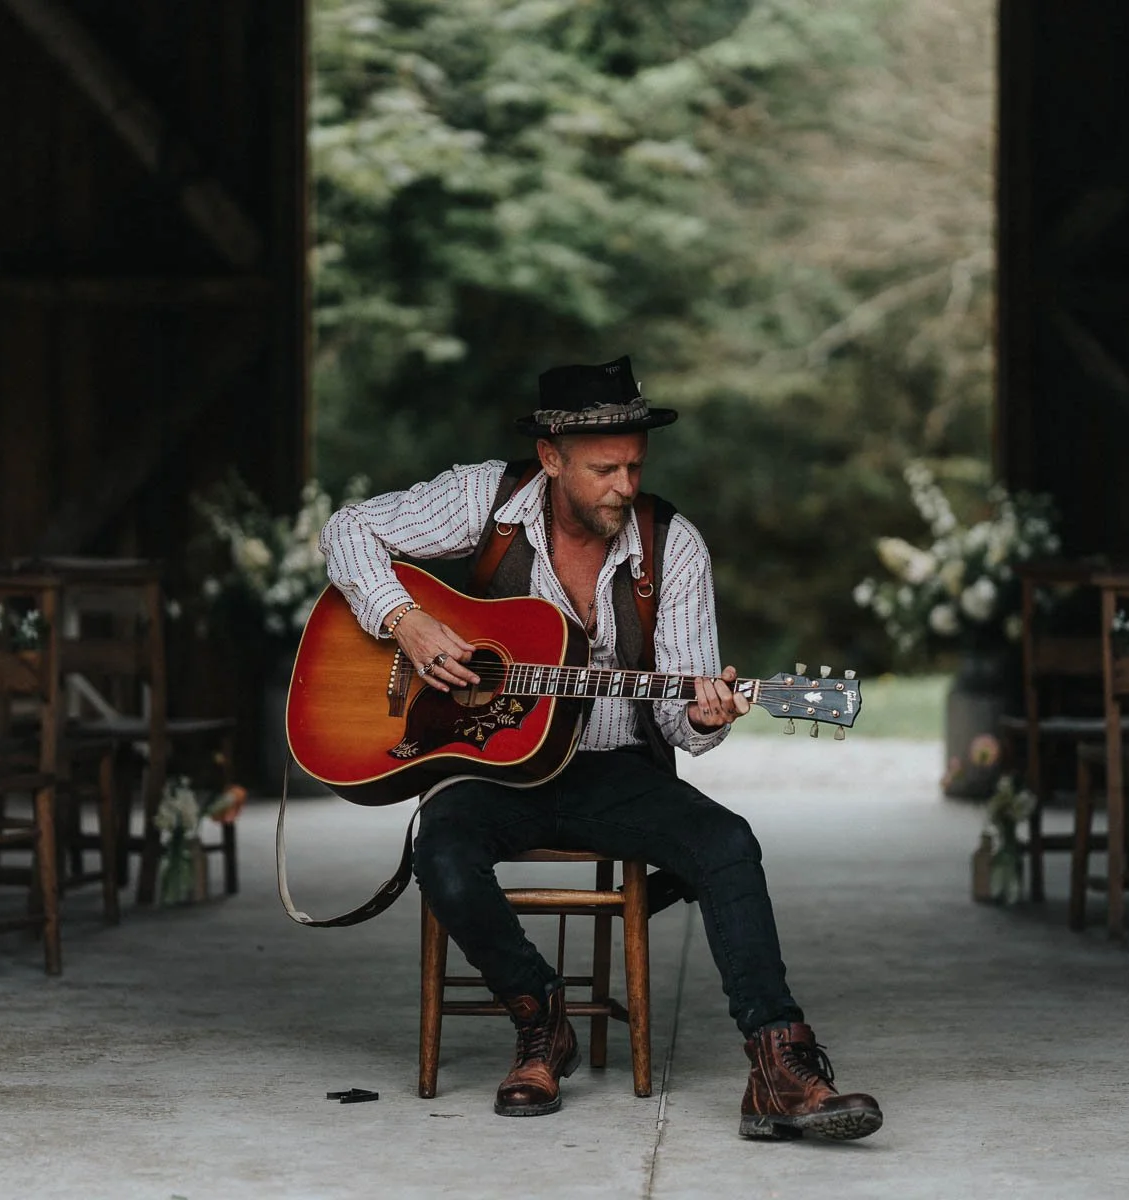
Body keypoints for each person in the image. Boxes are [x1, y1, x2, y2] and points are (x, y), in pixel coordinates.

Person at [318, 355, 881, 1141]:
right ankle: (540, 1018)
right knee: (441, 855)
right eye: (604, 468)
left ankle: (780, 1067)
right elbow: (346, 528)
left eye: (635, 467)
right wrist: (403, 621)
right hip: (488, 769)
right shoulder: (486, 498)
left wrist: (711, 714)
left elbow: (683, 722)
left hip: (613, 772)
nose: (624, 485)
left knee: (728, 844)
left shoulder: (671, 546)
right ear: (551, 459)